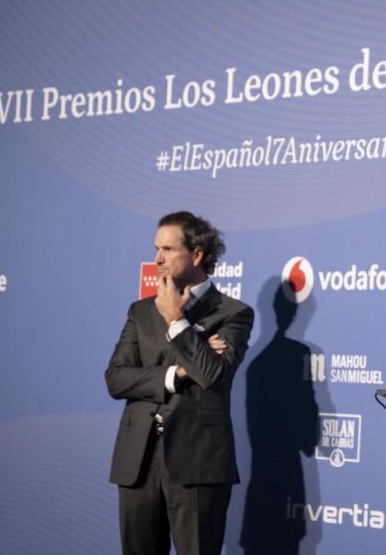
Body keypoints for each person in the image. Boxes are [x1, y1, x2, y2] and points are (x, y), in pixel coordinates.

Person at [105, 211, 254, 555]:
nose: (157, 259)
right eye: (156, 249)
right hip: (137, 462)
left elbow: (214, 375)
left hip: (197, 464)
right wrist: (178, 374)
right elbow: (116, 378)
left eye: (168, 249)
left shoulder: (233, 313)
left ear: (197, 254)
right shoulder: (141, 311)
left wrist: (176, 320)